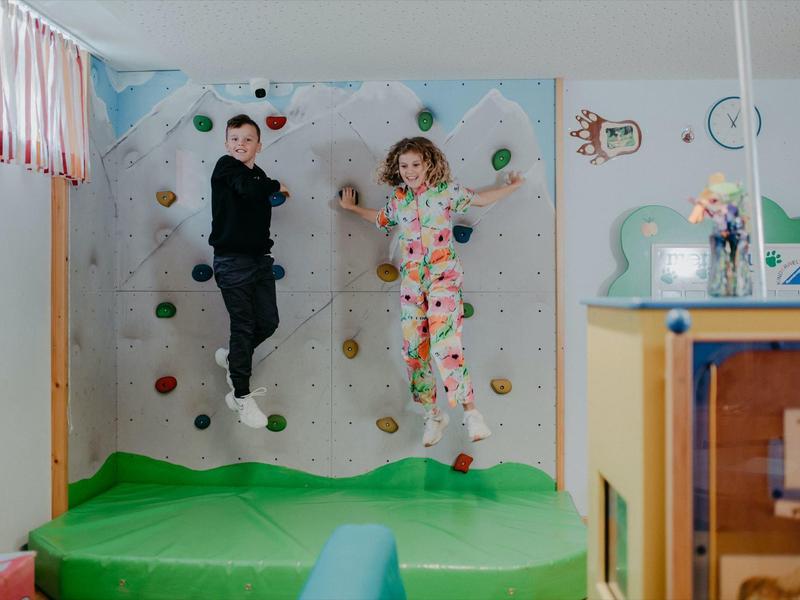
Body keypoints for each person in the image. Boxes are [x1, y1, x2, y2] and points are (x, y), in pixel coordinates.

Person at [339, 137, 524, 446]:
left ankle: (471, 412)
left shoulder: (446, 192)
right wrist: (353, 208)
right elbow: (381, 218)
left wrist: (513, 187)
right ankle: (433, 415)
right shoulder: (399, 199)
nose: (410, 171)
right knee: (413, 352)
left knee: (443, 342)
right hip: (412, 283)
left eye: (415, 164)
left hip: (444, 278)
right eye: (404, 165)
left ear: (428, 164)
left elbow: (481, 198)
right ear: (397, 169)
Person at [209, 114, 289, 428]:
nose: (240, 144)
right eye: (235, 139)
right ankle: (240, 396)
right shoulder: (226, 167)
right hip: (231, 262)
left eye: (247, 139)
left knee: (268, 322)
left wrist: (270, 185)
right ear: (226, 143)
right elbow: (247, 188)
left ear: (259, 144)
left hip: (259, 261)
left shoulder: (259, 175)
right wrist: (277, 186)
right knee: (243, 325)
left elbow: (256, 190)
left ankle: (232, 358)